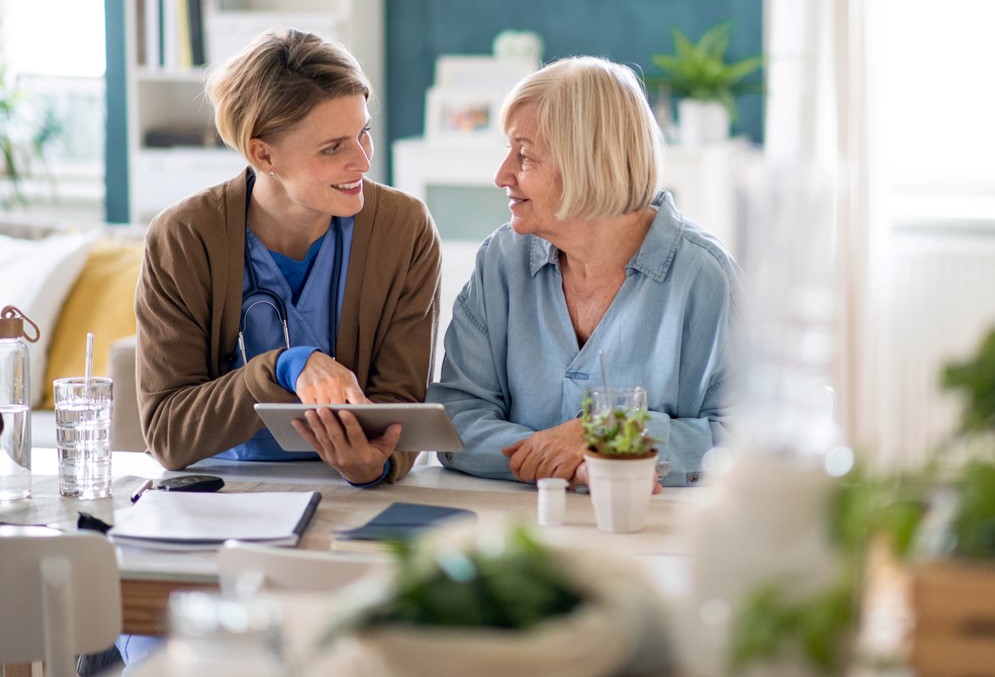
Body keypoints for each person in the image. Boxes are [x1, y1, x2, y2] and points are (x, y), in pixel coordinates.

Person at [135, 27, 441, 487]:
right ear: (263, 153)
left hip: (349, 492)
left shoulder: (404, 230)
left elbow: (400, 409)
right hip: (220, 493)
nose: (362, 161)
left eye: (364, 134)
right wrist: (283, 367)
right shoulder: (183, 239)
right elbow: (167, 432)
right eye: (333, 147)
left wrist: (375, 463)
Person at [426, 56, 740, 488]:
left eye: (524, 155)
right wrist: (574, 461)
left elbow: (745, 439)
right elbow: (457, 416)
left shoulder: (707, 279)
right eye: (507, 151)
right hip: (517, 523)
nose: (502, 175)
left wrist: (605, 434)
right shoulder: (501, 261)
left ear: (587, 163)